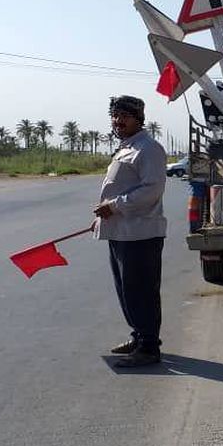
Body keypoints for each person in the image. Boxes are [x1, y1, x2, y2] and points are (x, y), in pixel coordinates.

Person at [93, 95, 168, 367]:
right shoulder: (127, 147)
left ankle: (149, 347)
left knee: (141, 291)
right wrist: (105, 216)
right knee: (126, 290)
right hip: (120, 231)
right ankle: (139, 337)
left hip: (140, 233)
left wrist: (113, 206)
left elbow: (152, 190)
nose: (118, 121)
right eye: (115, 116)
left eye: (125, 116)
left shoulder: (149, 148)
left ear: (139, 118)